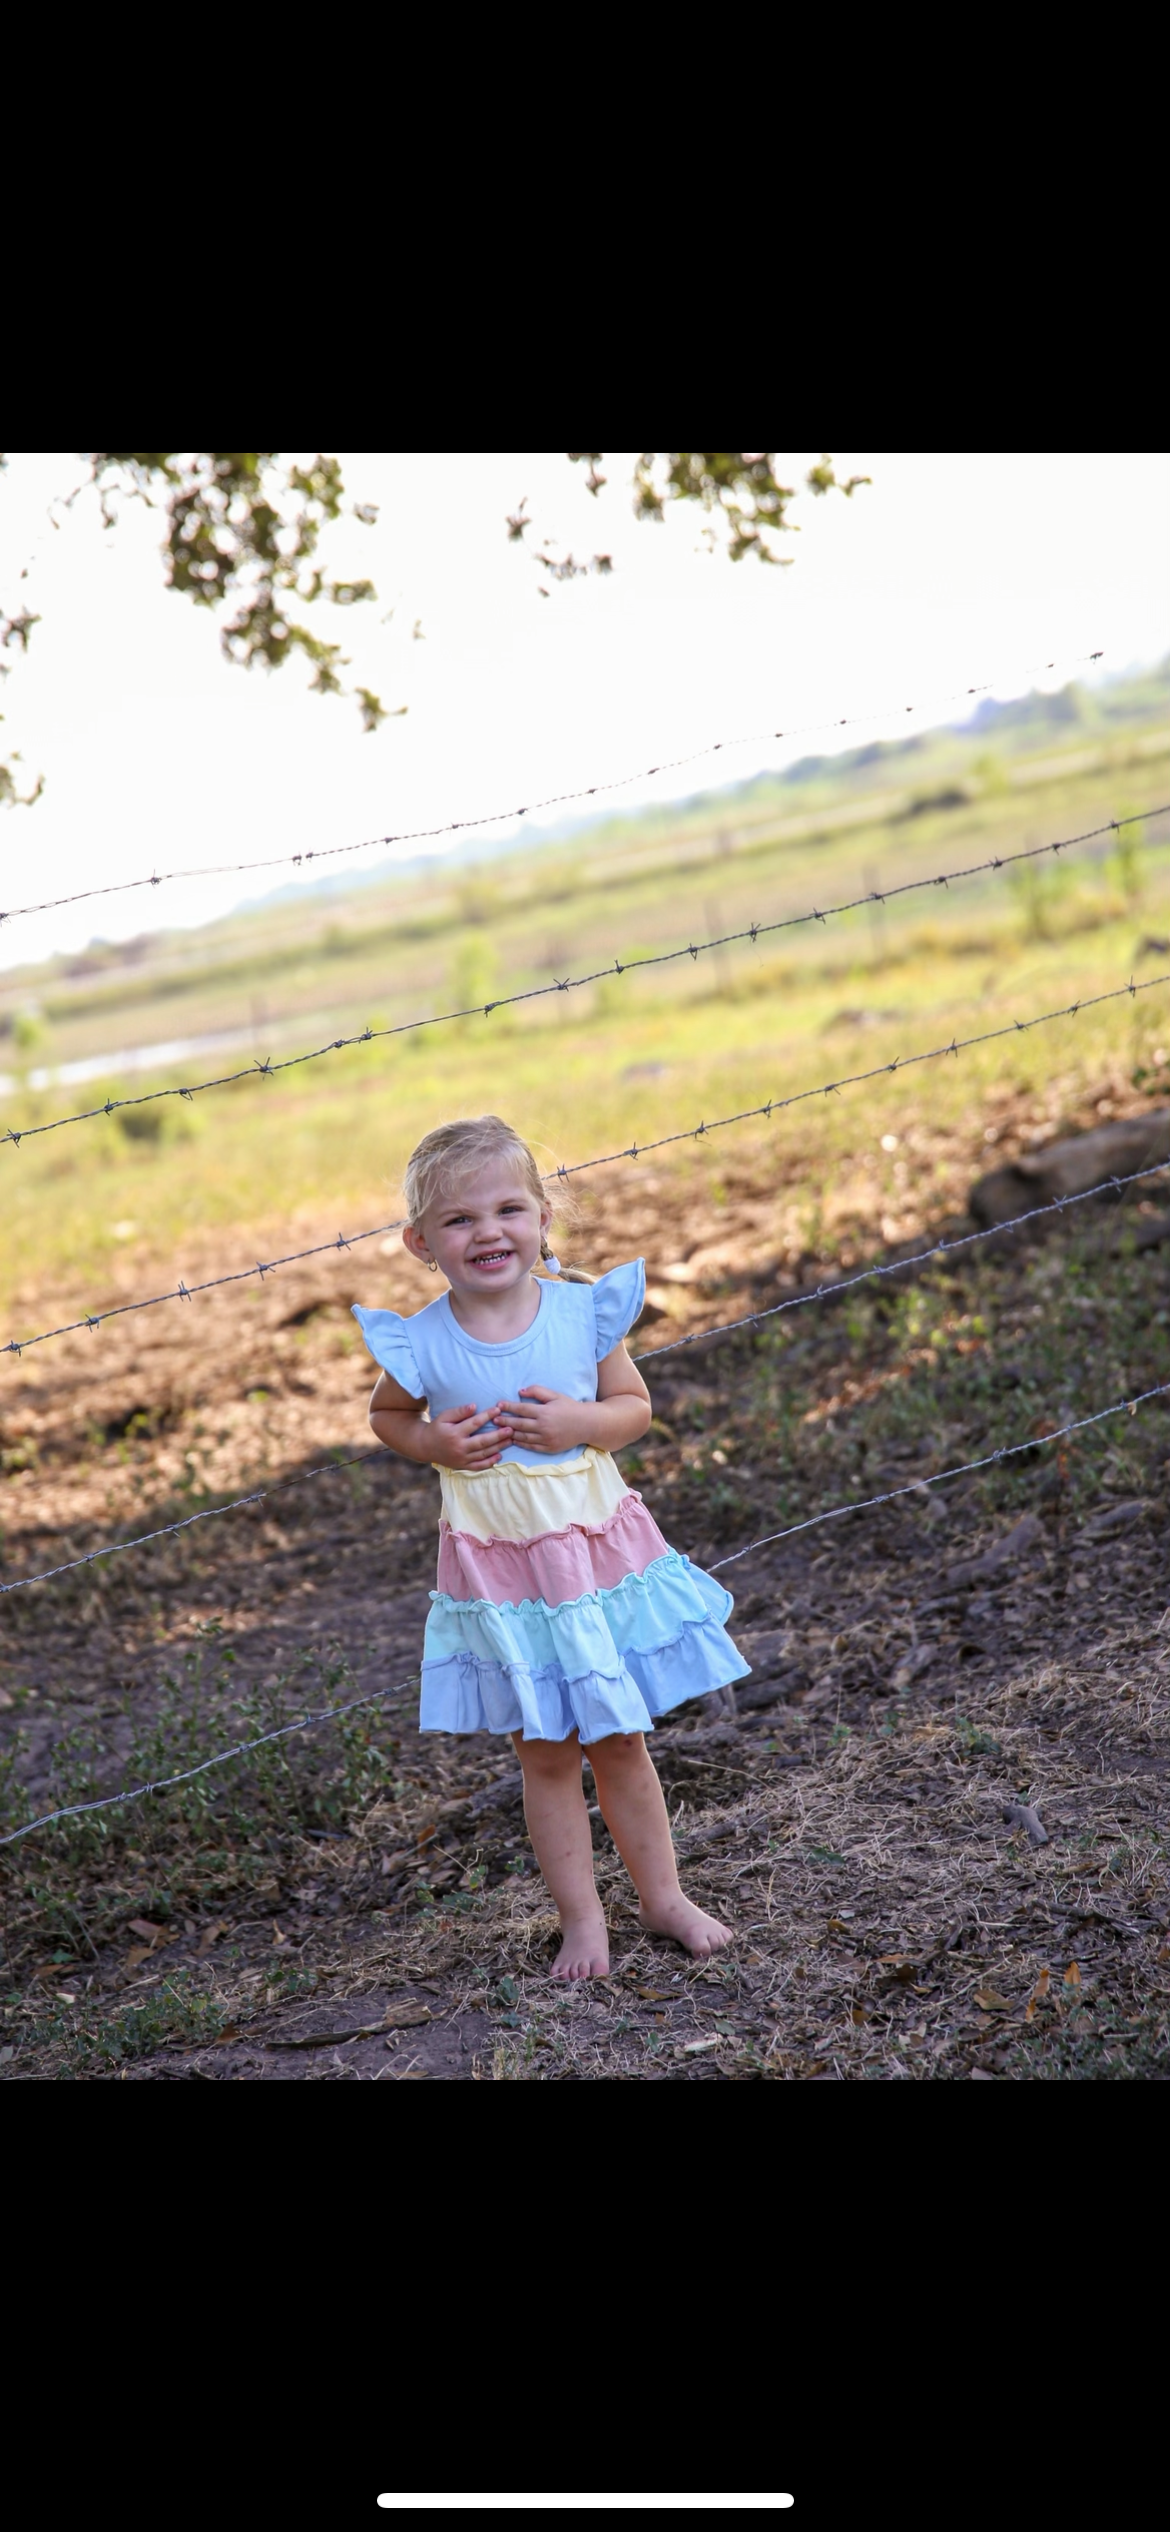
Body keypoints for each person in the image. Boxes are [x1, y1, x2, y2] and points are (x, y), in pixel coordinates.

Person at [354, 1114, 749, 1980]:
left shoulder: (580, 1314)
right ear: (421, 1242)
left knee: (620, 1742)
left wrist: (580, 1424)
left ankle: (664, 1898)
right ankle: (582, 1920)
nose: (487, 1232)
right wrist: (432, 1444)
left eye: (508, 1210)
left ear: (542, 1219)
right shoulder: (421, 1340)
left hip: (592, 1561)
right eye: (459, 1221)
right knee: (544, 1753)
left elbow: (633, 1410)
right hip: (505, 1574)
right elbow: (388, 1417)